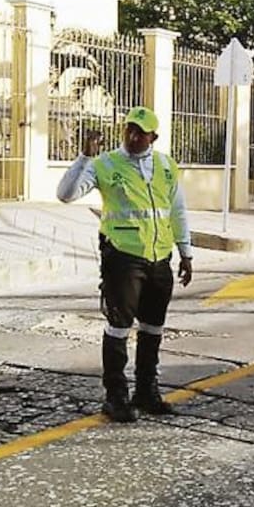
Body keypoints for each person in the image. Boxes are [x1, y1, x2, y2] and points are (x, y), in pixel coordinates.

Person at [57, 106, 194, 423]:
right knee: (119, 327)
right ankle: (115, 397)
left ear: (153, 137)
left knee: (153, 327)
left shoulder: (166, 166)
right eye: (129, 130)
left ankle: (146, 392)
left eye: (140, 132)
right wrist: (84, 157)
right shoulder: (104, 163)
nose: (132, 137)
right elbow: (65, 194)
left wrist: (185, 252)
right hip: (123, 256)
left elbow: (177, 211)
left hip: (159, 257)